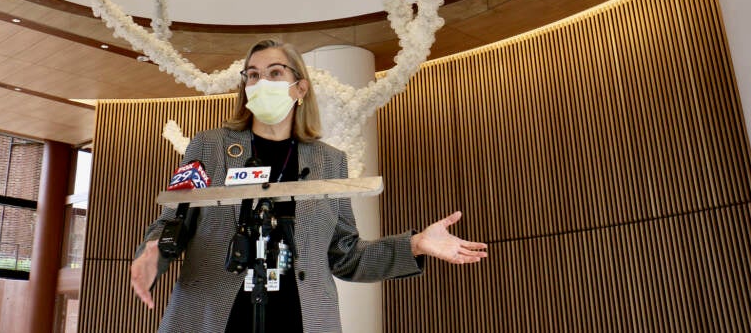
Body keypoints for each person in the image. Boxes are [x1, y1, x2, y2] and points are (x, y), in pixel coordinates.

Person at [130, 39, 487, 333]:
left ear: (300, 88)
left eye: (274, 73)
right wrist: (153, 255)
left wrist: (415, 244)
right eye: (252, 75)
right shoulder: (208, 147)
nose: (261, 82)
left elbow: (346, 256)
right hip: (212, 317)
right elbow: (172, 222)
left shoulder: (329, 162)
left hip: (300, 319)